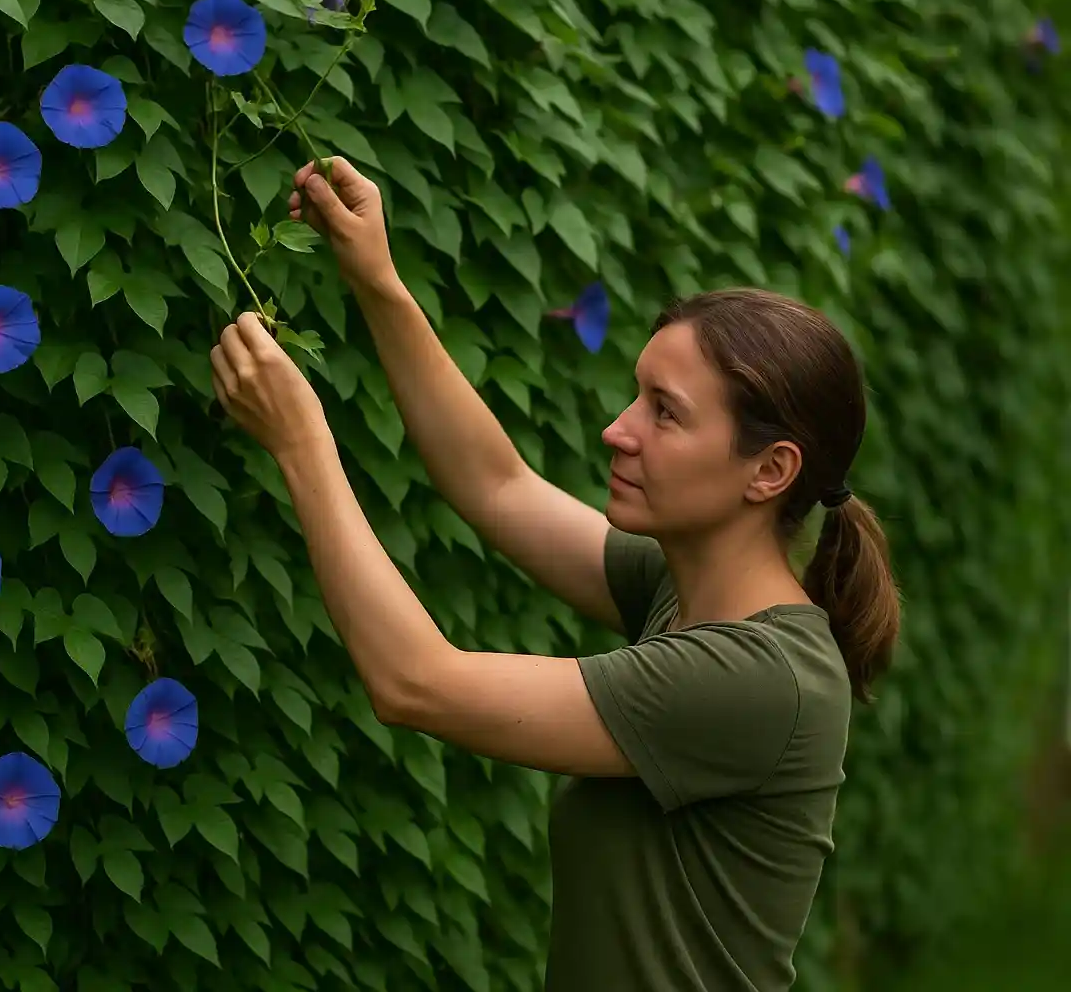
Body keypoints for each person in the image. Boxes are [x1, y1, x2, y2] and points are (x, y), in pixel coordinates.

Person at [207, 157, 902, 992]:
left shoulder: (759, 678)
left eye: (665, 413)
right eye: (637, 396)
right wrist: (378, 281)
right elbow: (496, 487)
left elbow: (415, 683)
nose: (618, 430)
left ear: (770, 471)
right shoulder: (684, 592)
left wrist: (302, 442)